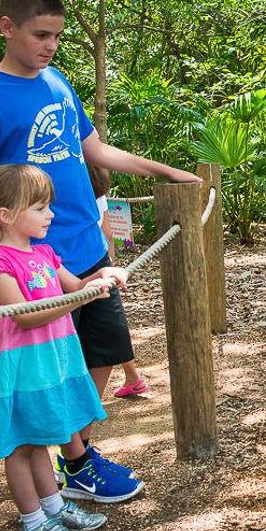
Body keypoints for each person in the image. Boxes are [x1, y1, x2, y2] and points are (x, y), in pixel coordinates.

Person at [0, 0, 201, 498]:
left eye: (56, 35)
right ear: (7, 28)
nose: (50, 45)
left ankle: (76, 455)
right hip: (33, 262)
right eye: (40, 35)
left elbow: (97, 152)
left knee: (103, 349)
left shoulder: (57, 82)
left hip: (86, 246)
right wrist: (7, 254)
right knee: (50, 361)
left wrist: (165, 172)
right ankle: (75, 461)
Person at [0, 165, 134, 531]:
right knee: (23, 445)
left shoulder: (45, 253)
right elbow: (25, 317)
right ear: (6, 215)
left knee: (47, 436)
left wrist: (103, 278)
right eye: (40, 208)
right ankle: (32, 523)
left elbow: (78, 287)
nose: (50, 215)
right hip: (26, 366)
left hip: (56, 361)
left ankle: (54, 505)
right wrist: (80, 297)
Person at [87, 163, 148, 397]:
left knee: (105, 332)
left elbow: (106, 231)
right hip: (100, 264)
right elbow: (108, 232)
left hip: (95, 266)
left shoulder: (87, 190)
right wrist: (109, 260)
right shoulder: (95, 190)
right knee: (108, 331)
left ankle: (131, 377)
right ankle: (132, 377)